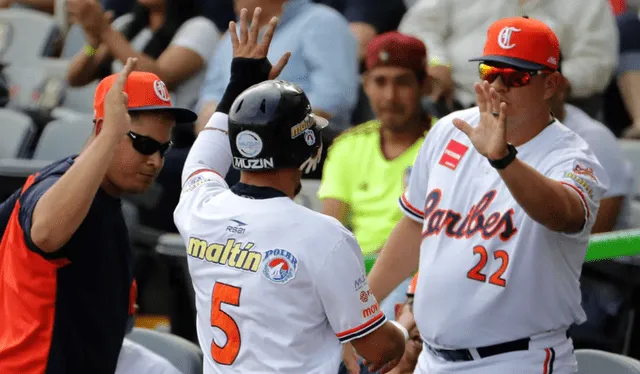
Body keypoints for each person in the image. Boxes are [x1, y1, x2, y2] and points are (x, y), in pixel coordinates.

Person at [364, 16, 609, 373]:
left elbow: (565, 213)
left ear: (550, 85)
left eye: (516, 76)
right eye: (489, 70)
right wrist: (362, 312)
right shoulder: (451, 129)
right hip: (433, 359)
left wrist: (503, 159)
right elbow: (415, 227)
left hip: (517, 359)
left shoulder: (571, 156)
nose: (497, 84)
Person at [173, 7, 406, 374]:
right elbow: (379, 349)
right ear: (306, 144)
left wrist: (239, 83)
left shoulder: (200, 206)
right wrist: (403, 328)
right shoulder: (324, 235)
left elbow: (206, 151)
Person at [0, 58, 198, 373]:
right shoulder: (57, 185)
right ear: (105, 129)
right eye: (144, 145)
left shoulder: (107, 197)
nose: (156, 162)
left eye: (163, 148)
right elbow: (46, 234)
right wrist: (109, 137)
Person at [318, 31, 434, 321]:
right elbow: (331, 230)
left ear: (425, 86)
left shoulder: (445, 144)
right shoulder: (348, 146)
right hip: (357, 276)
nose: (390, 96)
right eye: (380, 82)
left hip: (421, 277)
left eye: (402, 82)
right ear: (366, 85)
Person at [67, 0, 219, 111]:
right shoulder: (127, 24)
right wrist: (93, 45)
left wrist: (105, 31)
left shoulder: (200, 28)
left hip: (166, 138)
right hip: (116, 128)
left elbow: (158, 79)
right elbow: (75, 79)